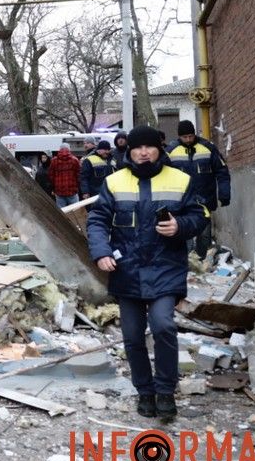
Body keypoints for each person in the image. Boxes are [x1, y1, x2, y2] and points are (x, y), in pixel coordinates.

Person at [88, 125, 208, 421]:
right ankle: (145, 391)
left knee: (163, 325)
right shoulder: (115, 181)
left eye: (149, 147)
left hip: (166, 268)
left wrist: (181, 226)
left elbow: (199, 215)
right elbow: (98, 220)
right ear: (129, 151)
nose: (143, 152)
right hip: (127, 270)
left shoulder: (180, 179)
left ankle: (165, 391)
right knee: (131, 335)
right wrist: (101, 252)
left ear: (159, 149)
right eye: (137, 147)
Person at [166, 120, 231, 258]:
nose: (188, 140)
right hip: (181, 201)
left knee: (204, 233)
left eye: (191, 136)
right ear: (179, 136)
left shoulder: (208, 148)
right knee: (184, 232)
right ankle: (186, 261)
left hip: (205, 199)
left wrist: (224, 193)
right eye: (185, 137)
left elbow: (221, 171)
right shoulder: (170, 151)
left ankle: (201, 259)